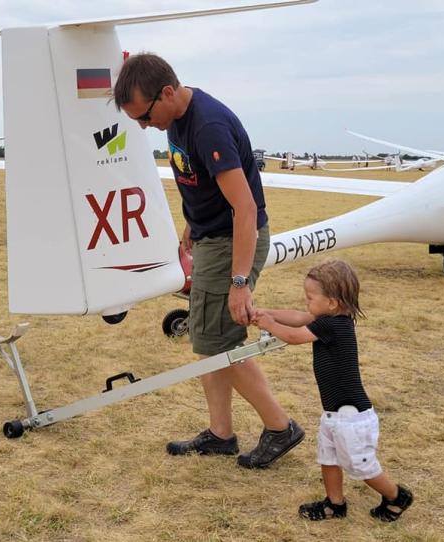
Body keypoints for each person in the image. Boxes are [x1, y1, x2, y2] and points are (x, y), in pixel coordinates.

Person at [113, 53, 304, 468]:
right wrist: (191, 225)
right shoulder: (175, 117)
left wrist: (239, 282)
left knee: (221, 342)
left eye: (145, 117)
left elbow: (246, 209)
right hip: (211, 237)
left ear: (166, 92)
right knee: (208, 340)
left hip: (233, 241)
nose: (146, 127)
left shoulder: (209, 125)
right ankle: (221, 434)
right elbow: (194, 181)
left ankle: (279, 427)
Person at [251, 260, 414, 522]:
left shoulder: (333, 326)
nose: (306, 302)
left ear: (332, 302)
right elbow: (297, 317)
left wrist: (270, 324)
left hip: (351, 418)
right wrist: (265, 312)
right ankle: (334, 504)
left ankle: (396, 496)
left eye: (310, 297)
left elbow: (293, 336)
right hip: (334, 414)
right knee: (328, 458)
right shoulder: (329, 318)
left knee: (359, 465)